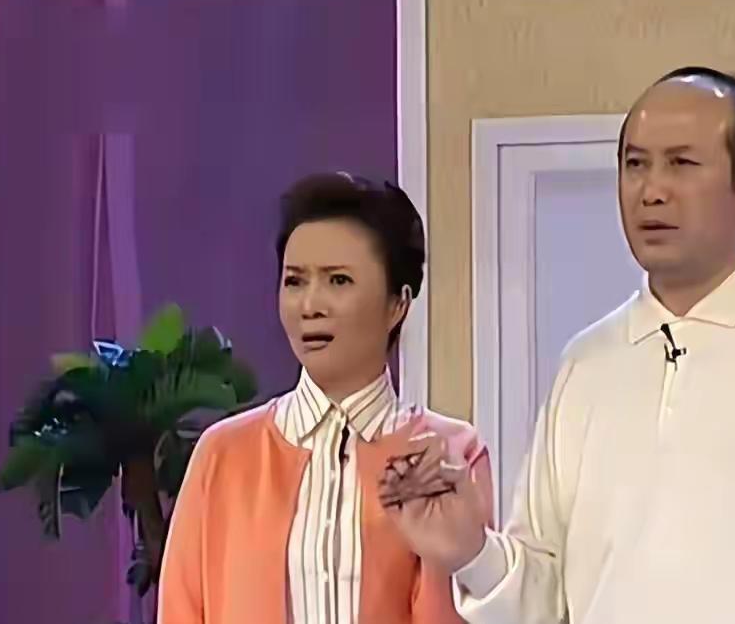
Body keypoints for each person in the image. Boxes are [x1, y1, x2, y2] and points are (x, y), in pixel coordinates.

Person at [381, 67, 735, 623]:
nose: (651, 191)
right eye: (635, 165)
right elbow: (546, 597)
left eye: (682, 164)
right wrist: (473, 552)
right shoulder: (587, 363)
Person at [158, 172, 494, 624]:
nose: (310, 305)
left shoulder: (450, 453)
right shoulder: (222, 455)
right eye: (295, 281)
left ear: (398, 304)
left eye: (338, 280)